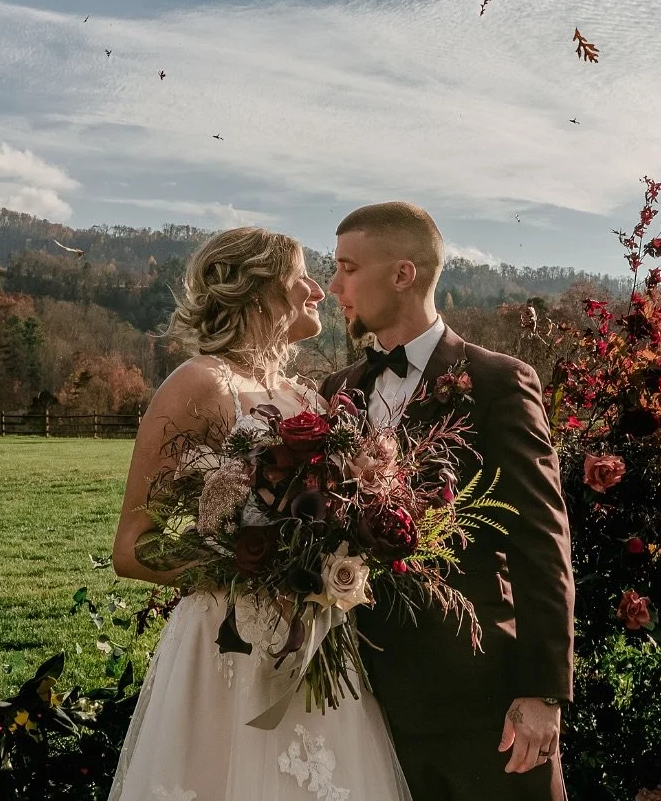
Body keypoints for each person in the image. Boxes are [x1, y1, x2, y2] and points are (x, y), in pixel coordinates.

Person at [107, 226, 412, 801]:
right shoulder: (199, 383)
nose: (318, 291)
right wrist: (251, 569)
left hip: (315, 645)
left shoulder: (305, 397)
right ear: (258, 289)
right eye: (301, 276)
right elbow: (131, 547)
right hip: (230, 651)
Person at [321, 201, 575, 801]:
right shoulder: (337, 391)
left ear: (403, 274)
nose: (334, 286)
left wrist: (543, 692)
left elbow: (542, 539)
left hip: (479, 694)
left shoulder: (497, 382)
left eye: (347, 268)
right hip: (364, 694)